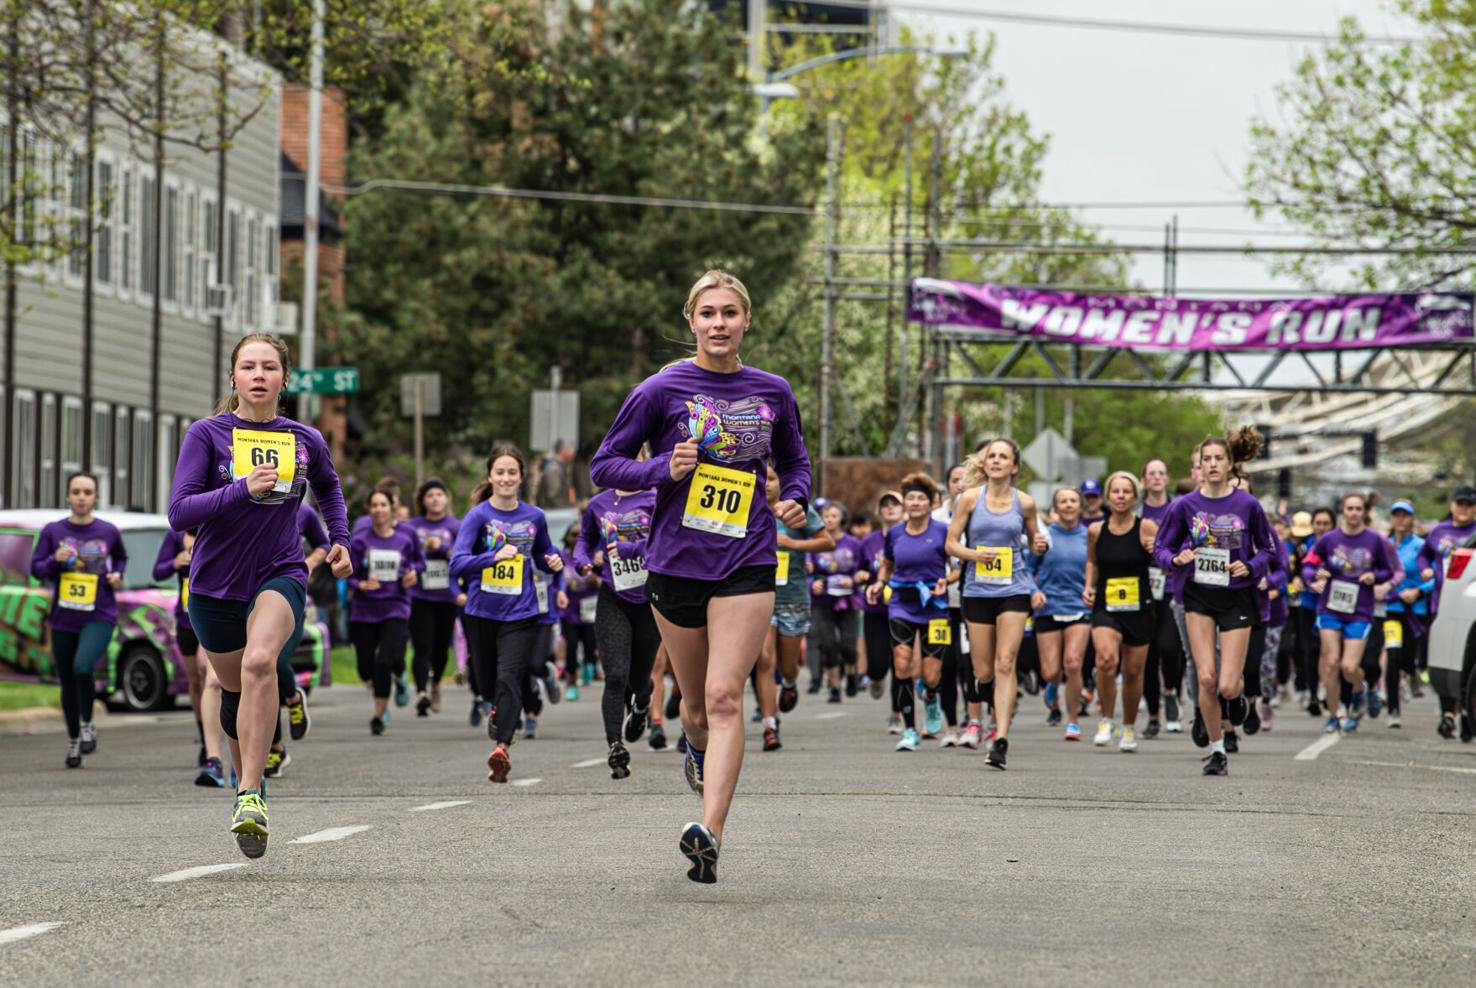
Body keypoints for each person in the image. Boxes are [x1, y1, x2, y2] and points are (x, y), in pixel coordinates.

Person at [590, 269, 809, 884]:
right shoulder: (660, 390)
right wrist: (662, 466)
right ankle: (694, 749)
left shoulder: (773, 391)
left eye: (730, 313)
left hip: (748, 558)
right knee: (692, 707)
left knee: (722, 696)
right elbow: (603, 466)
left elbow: (794, 460)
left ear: (746, 322)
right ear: (692, 320)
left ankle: (709, 832)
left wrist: (793, 497)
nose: (719, 323)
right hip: (675, 562)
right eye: (708, 313)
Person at [168, 333, 352, 858]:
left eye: (268, 367)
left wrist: (340, 540)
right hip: (214, 584)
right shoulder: (206, 435)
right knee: (231, 693)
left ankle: (249, 792)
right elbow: (180, 512)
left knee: (260, 662)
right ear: (234, 378)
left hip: (280, 572)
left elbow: (330, 488)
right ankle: (249, 785)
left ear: (283, 379)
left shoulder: (304, 439)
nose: (258, 375)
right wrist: (241, 488)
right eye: (248, 366)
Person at [1152, 428, 1275, 776]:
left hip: (1236, 597)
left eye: (1219, 458)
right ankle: (1217, 749)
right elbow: (1161, 547)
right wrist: (1174, 560)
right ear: (1200, 466)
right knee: (1205, 678)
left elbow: (1268, 549)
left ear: (1231, 464)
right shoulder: (1184, 506)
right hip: (1198, 595)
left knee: (1227, 684)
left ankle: (1236, 699)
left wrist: (1249, 566)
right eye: (1207, 460)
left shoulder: (1248, 505)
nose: (1213, 465)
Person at [451, 445, 564, 780]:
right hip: (481, 611)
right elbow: (458, 563)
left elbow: (546, 554)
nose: (505, 478)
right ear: (490, 476)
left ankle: (502, 745)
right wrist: (492, 558)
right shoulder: (478, 517)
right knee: (485, 682)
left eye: (512, 472)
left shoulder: (534, 518)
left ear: (520, 478)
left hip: (521, 611)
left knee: (509, 676)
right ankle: (497, 708)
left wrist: (555, 561)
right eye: (499, 472)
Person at [947, 439, 1046, 770]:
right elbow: (951, 544)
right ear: (985, 463)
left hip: (1013, 590)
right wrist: (976, 555)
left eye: (1004, 456)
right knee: (984, 671)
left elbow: (1034, 543)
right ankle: (987, 692)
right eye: (992, 456)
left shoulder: (1026, 503)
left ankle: (1000, 738)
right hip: (977, 590)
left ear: (1014, 466)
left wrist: (1040, 545)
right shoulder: (970, 499)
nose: (997, 460)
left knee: (1006, 663)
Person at [31, 472, 126, 769]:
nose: (82, 497)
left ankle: (88, 724)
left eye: (87, 492)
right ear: (68, 496)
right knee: (67, 681)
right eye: (76, 491)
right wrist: (55, 560)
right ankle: (74, 740)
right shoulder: (52, 531)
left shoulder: (108, 531)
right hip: (64, 617)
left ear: (95, 497)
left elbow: (121, 558)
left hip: (99, 613)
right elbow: (37, 569)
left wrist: (117, 575)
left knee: (82, 666)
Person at [574, 480, 660, 777]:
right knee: (615, 675)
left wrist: (630, 547)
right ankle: (615, 745)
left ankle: (642, 703)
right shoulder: (598, 504)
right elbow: (584, 540)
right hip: (613, 595)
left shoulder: (656, 497)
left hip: (649, 599)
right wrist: (584, 560)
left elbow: (666, 538)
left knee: (639, 679)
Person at [866, 473, 950, 753]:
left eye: (921, 498)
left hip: (936, 606)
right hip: (901, 603)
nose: (915, 503)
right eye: (910, 498)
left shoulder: (942, 531)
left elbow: (960, 564)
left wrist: (947, 581)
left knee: (932, 674)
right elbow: (887, 563)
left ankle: (932, 698)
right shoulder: (896, 533)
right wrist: (880, 582)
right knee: (901, 664)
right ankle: (911, 730)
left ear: (930, 504)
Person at [1302, 492, 1398, 734]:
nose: (1354, 513)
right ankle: (1335, 715)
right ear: (1342, 512)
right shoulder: (1329, 539)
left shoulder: (1375, 541)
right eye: (1349, 508)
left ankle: (1360, 688)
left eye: (1358, 509)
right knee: (1331, 662)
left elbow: (1389, 571)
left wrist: (1373, 576)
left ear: (1364, 512)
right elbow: (1308, 564)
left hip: (1359, 610)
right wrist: (1315, 578)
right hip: (1330, 608)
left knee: (1348, 666)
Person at [1084, 472, 1159, 752]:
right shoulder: (1095, 530)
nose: (1120, 496)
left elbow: (1163, 559)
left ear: (1135, 496)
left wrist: (1155, 549)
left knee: (1133, 671)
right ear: (1108, 495)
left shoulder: (1146, 527)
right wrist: (1088, 586)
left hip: (1139, 608)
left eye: (1126, 492)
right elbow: (1092, 561)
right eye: (1115, 491)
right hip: (1106, 605)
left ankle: (1128, 727)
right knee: (1105, 659)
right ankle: (1105, 719)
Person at [759, 464, 832, 750]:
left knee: (788, 667)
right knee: (764, 660)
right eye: (761, 477)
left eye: (773, 478)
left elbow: (827, 542)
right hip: (757, 595)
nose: (766, 484)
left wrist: (790, 542)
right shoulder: (746, 506)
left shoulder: (795, 508)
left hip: (792, 596)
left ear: (782, 481)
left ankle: (789, 685)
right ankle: (770, 725)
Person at [152, 528, 229, 785]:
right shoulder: (175, 536)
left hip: (213, 614)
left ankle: (214, 753)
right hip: (186, 618)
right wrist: (176, 562)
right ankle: (205, 737)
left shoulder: (220, 528)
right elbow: (158, 571)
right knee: (194, 680)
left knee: (208, 673)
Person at [349, 487, 422, 734]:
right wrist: (360, 583)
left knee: (385, 660)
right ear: (369, 510)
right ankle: (392, 682)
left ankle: (379, 714)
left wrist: (413, 573)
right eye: (374, 505)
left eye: (383, 505)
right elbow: (347, 573)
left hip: (395, 607)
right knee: (365, 669)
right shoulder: (359, 540)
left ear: (392, 508)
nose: (378, 509)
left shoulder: (406, 537)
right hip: (364, 609)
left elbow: (419, 561)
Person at [1028, 487, 1090, 741]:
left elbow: (1097, 568)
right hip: (1048, 606)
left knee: (1073, 663)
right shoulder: (1044, 537)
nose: (1068, 505)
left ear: (1080, 506)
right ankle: (1052, 685)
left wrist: (1092, 589)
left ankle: (1073, 720)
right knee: (1051, 671)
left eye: (1073, 501)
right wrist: (1034, 591)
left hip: (1079, 606)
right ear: (1056, 507)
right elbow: (1026, 569)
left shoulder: (1090, 537)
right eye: (1063, 501)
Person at [1416, 485, 1476, 739]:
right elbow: (1423, 556)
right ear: (1452, 505)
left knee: (1463, 656)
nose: (1463, 509)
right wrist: (1425, 570)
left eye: (1469, 504)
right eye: (1459, 503)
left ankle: (1464, 719)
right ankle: (1447, 714)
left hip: (1464, 602)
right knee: (1445, 653)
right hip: (1441, 601)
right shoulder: (1439, 532)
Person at [407, 479, 462, 716]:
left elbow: (463, 557)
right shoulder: (412, 526)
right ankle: (421, 693)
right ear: (423, 501)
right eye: (430, 495)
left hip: (446, 596)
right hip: (420, 594)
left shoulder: (456, 526)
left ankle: (436, 683)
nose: (435, 499)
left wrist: (443, 548)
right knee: (422, 646)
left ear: (446, 499)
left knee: (440, 649)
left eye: (439, 494)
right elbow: (404, 553)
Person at [1139, 457, 1185, 735]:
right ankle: (1154, 715)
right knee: (1147, 652)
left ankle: (1171, 692)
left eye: (1161, 473)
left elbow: (1196, 539)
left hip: (1171, 585)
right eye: (1151, 473)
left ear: (1167, 479)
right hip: (1142, 587)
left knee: (1170, 647)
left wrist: (1166, 550)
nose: (1156, 478)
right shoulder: (1134, 509)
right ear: (1144, 479)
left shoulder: (1180, 507)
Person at [857, 490, 905, 733]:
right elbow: (858, 570)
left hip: (905, 607)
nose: (889, 508)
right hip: (876, 608)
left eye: (894, 504)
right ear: (879, 511)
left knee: (901, 663)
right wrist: (863, 576)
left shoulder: (910, 536)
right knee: (877, 666)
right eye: (884, 504)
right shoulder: (869, 542)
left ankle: (896, 714)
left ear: (904, 509)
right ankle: (876, 677)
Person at [1384, 500, 1433, 729]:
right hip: (1391, 609)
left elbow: (1436, 577)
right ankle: (1393, 709)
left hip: (1416, 612)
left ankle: (1411, 671)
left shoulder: (1422, 545)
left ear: (1413, 519)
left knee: (1407, 657)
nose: (1401, 519)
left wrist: (1418, 591)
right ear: (1391, 518)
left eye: (1406, 515)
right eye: (1397, 515)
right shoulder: (1384, 545)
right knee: (1392, 656)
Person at [808, 501, 862, 703]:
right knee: (828, 644)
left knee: (848, 646)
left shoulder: (853, 543)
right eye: (825, 516)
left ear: (842, 519)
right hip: (823, 601)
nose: (829, 519)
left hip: (848, 600)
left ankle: (850, 673)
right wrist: (812, 584)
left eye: (833, 516)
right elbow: (807, 569)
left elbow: (862, 568)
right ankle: (834, 687)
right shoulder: (815, 541)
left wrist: (857, 577)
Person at [1289, 508, 1336, 715]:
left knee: (1329, 651)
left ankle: (1329, 690)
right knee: (1310, 650)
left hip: (1333, 605)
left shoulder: (1339, 544)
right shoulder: (1304, 546)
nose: (1322, 527)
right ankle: (1313, 694)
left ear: (1333, 525)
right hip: (1308, 604)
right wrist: (1299, 579)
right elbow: (1295, 570)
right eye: (1318, 523)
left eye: (1326, 523)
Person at [559, 524, 601, 699]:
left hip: (590, 608)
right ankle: (571, 682)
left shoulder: (591, 554)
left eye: (579, 534)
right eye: (573, 534)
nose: (576, 538)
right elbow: (556, 578)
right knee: (572, 645)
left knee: (590, 644)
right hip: (569, 610)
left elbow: (604, 578)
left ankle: (588, 665)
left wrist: (595, 580)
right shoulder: (562, 556)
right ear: (567, 537)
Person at [536, 440, 575, 509]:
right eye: (571, 449)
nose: (573, 453)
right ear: (564, 451)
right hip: (552, 515)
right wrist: (566, 511)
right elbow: (553, 496)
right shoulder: (554, 470)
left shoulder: (560, 467)